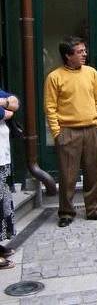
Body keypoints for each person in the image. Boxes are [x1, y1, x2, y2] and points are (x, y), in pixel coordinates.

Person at [44, 36, 97, 227]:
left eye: (84, 51)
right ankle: (66, 213)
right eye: (80, 51)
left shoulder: (91, 73)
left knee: (95, 173)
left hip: (92, 130)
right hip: (68, 132)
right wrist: (57, 132)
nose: (84, 54)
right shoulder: (54, 77)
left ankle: (94, 210)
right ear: (68, 55)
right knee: (67, 175)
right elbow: (50, 107)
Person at [0, 91, 19, 269]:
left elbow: (14, 103)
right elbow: (5, 112)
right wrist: (5, 108)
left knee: (3, 203)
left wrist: (4, 101)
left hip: (2, 157)